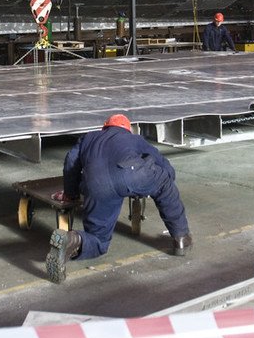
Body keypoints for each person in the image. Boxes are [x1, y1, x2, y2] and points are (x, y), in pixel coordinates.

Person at [45, 114, 191, 283]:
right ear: (127, 129)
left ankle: (72, 239)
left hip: (97, 183)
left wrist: (71, 194)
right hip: (132, 174)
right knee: (164, 183)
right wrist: (163, 182)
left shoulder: (89, 137)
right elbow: (162, 163)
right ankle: (181, 238)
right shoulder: (134, 139)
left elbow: (71, 160)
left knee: (99, 240)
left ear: (104, 127)